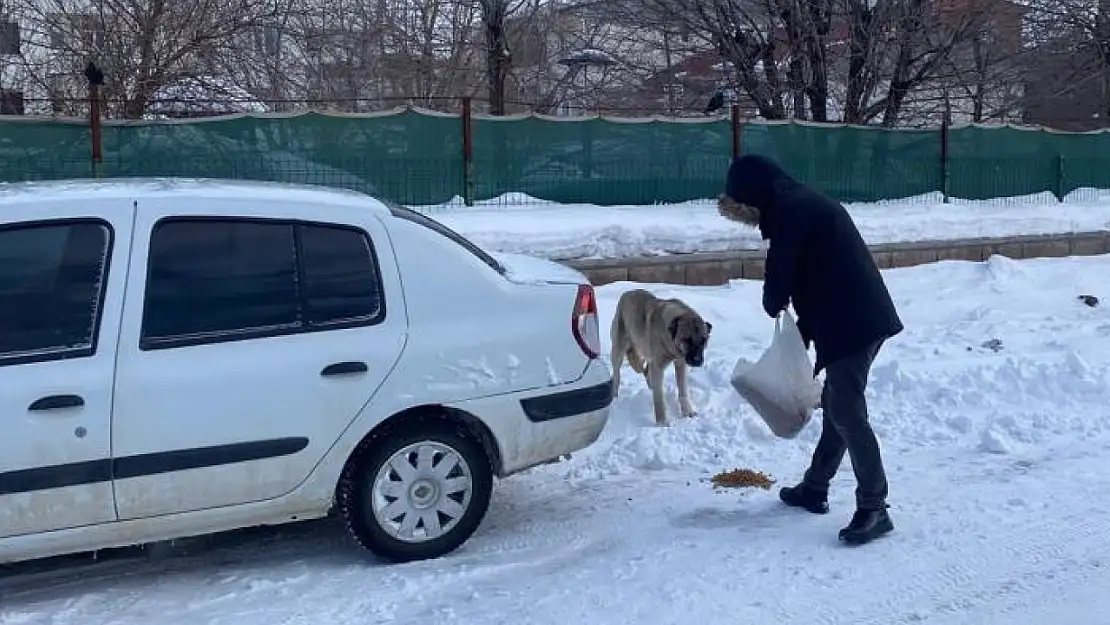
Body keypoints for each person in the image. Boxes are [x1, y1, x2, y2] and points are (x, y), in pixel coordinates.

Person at [718, 154, 904, 546]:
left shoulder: (789, 212)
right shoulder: (800, 202)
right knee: (838, 406)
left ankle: (875, 507)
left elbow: (782, 269)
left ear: (753, 197)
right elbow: (816, 270)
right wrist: (801, 329)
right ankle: (815, 486)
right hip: (850, 314)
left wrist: (774, 303)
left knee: (848, 413)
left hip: (854, 319)